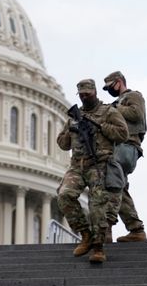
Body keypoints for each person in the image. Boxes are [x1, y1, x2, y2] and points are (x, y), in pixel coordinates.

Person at [57, 79, 129, 263]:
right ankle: (85, 234)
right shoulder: (75, 116)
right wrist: (71, 130)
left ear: (95, 92)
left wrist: (100, 127)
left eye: (87, 94)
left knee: (97, 206)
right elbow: (63, 144)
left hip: (100, 165)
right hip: (77, 165)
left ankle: (98, 247)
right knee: (64, 195)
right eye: (81, 95)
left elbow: (123, 134)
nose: (84, 97)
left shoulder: (109, 112)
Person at [102, 71, 147, 242]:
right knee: (120, 187)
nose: (109, 91)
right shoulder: (115, 103)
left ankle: (106, 229)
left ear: (119, 82)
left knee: (111, 183)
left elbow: (136, 114)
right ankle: (136, 229)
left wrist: (113, 109)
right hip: (118, 147)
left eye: (110, 87)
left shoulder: (133, 96)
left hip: (127, 147)